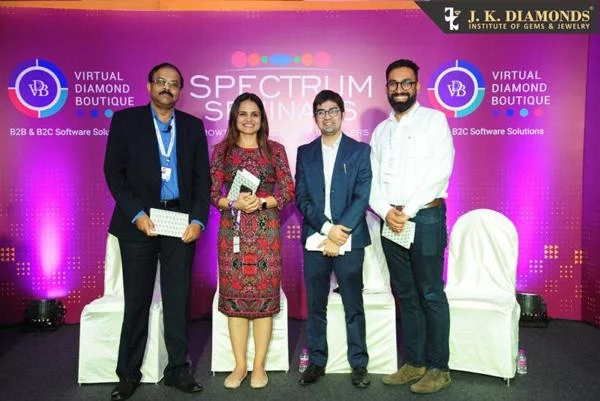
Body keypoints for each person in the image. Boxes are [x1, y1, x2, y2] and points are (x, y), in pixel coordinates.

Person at [104, 62, 210, 401]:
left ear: (180, 91)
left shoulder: (192, 126)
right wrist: (136, 214)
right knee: (136, 302)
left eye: (174, 83)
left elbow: (202, 180)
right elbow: (113, 173)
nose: (167, 87)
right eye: (161, 82)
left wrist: (198, 220)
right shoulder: (126, 121)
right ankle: (128, 374)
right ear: (149, 86)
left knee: (178, 301)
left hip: (180, 220)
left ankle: (178, 369)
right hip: (140, 222)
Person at [369, 59, 455, 394]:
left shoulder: (434, 121)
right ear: (387, 88)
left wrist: (408, 210)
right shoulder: (381, 131)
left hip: (425, 217)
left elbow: (440, 171)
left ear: (417, 86)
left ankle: (439, 368)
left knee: (430, 291)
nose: (400, 89)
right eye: (393, 83)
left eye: (406, 83)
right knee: (405, 292)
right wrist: (385, 210)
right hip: (390, 219)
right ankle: (415, 362)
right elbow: (372, 179)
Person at [210, 92, 294, 389]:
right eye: (243, 114)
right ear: (234, 118)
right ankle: (239, 366)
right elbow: (211, 193)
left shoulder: (275, 150)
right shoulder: (221, 151)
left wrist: (262, 202)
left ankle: (259, 366)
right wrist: (232, 203)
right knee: (234, 300)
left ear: (262, 118)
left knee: (264, 300)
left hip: (265, 234)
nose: (248, 119)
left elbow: (288, 190)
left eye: (254, 114)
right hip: (231, 233)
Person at [295, 90, 372, 388]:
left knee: (353, 304)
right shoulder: (305, 152)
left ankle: (359, 363)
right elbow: (302, 198)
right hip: (316, 236)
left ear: (342, 114)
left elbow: (362, 196)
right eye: (321, 111)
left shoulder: (359, 151)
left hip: (350, 237)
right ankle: (317, 361)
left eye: (332, 110)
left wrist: (340, 232)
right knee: (316, 305)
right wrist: (328, 230)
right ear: (315, 117)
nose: (327, 116)